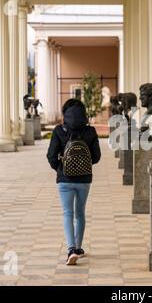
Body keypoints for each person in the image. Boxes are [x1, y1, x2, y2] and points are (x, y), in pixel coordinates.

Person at [47, 99, 101, 266]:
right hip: (84, 179)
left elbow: (51, 156)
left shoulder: (59, 130)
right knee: (80, 214)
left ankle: (70, 249)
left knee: (67, 214)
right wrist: (83, 167)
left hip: (65, 180)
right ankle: (78, 248)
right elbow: (97, 157)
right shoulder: (90, 131)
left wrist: (61, 169)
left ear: (65, 113)